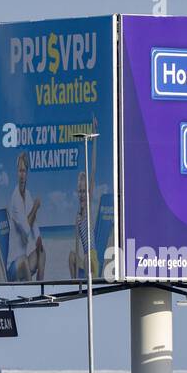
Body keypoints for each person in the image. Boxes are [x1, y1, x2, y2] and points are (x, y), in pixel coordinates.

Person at [69, 118, 100, 280]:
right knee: (71, 256)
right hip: (85, 259)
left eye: (84, 191)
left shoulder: (88, 207)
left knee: (88, 258)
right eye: (80, 191)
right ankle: (77, 283)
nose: (82, 194)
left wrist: (94, 140)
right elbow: (76, 244)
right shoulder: (78, 217)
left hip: (93, 259)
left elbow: (93, 168)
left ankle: (86, 280)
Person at [7, 152, 44, 281]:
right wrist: (35, 207)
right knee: (23, 260)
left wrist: (38, 237)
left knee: (42, 252)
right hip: (13, 267)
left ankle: (41, 285)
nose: (22, 175)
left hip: (25, 264)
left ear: (27, 173)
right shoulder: (15, 199)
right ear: (17, 173)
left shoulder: (27, 194)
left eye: (24, 171)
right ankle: (31, 291)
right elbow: (26, 230)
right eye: (20, 171)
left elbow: (34, 225)